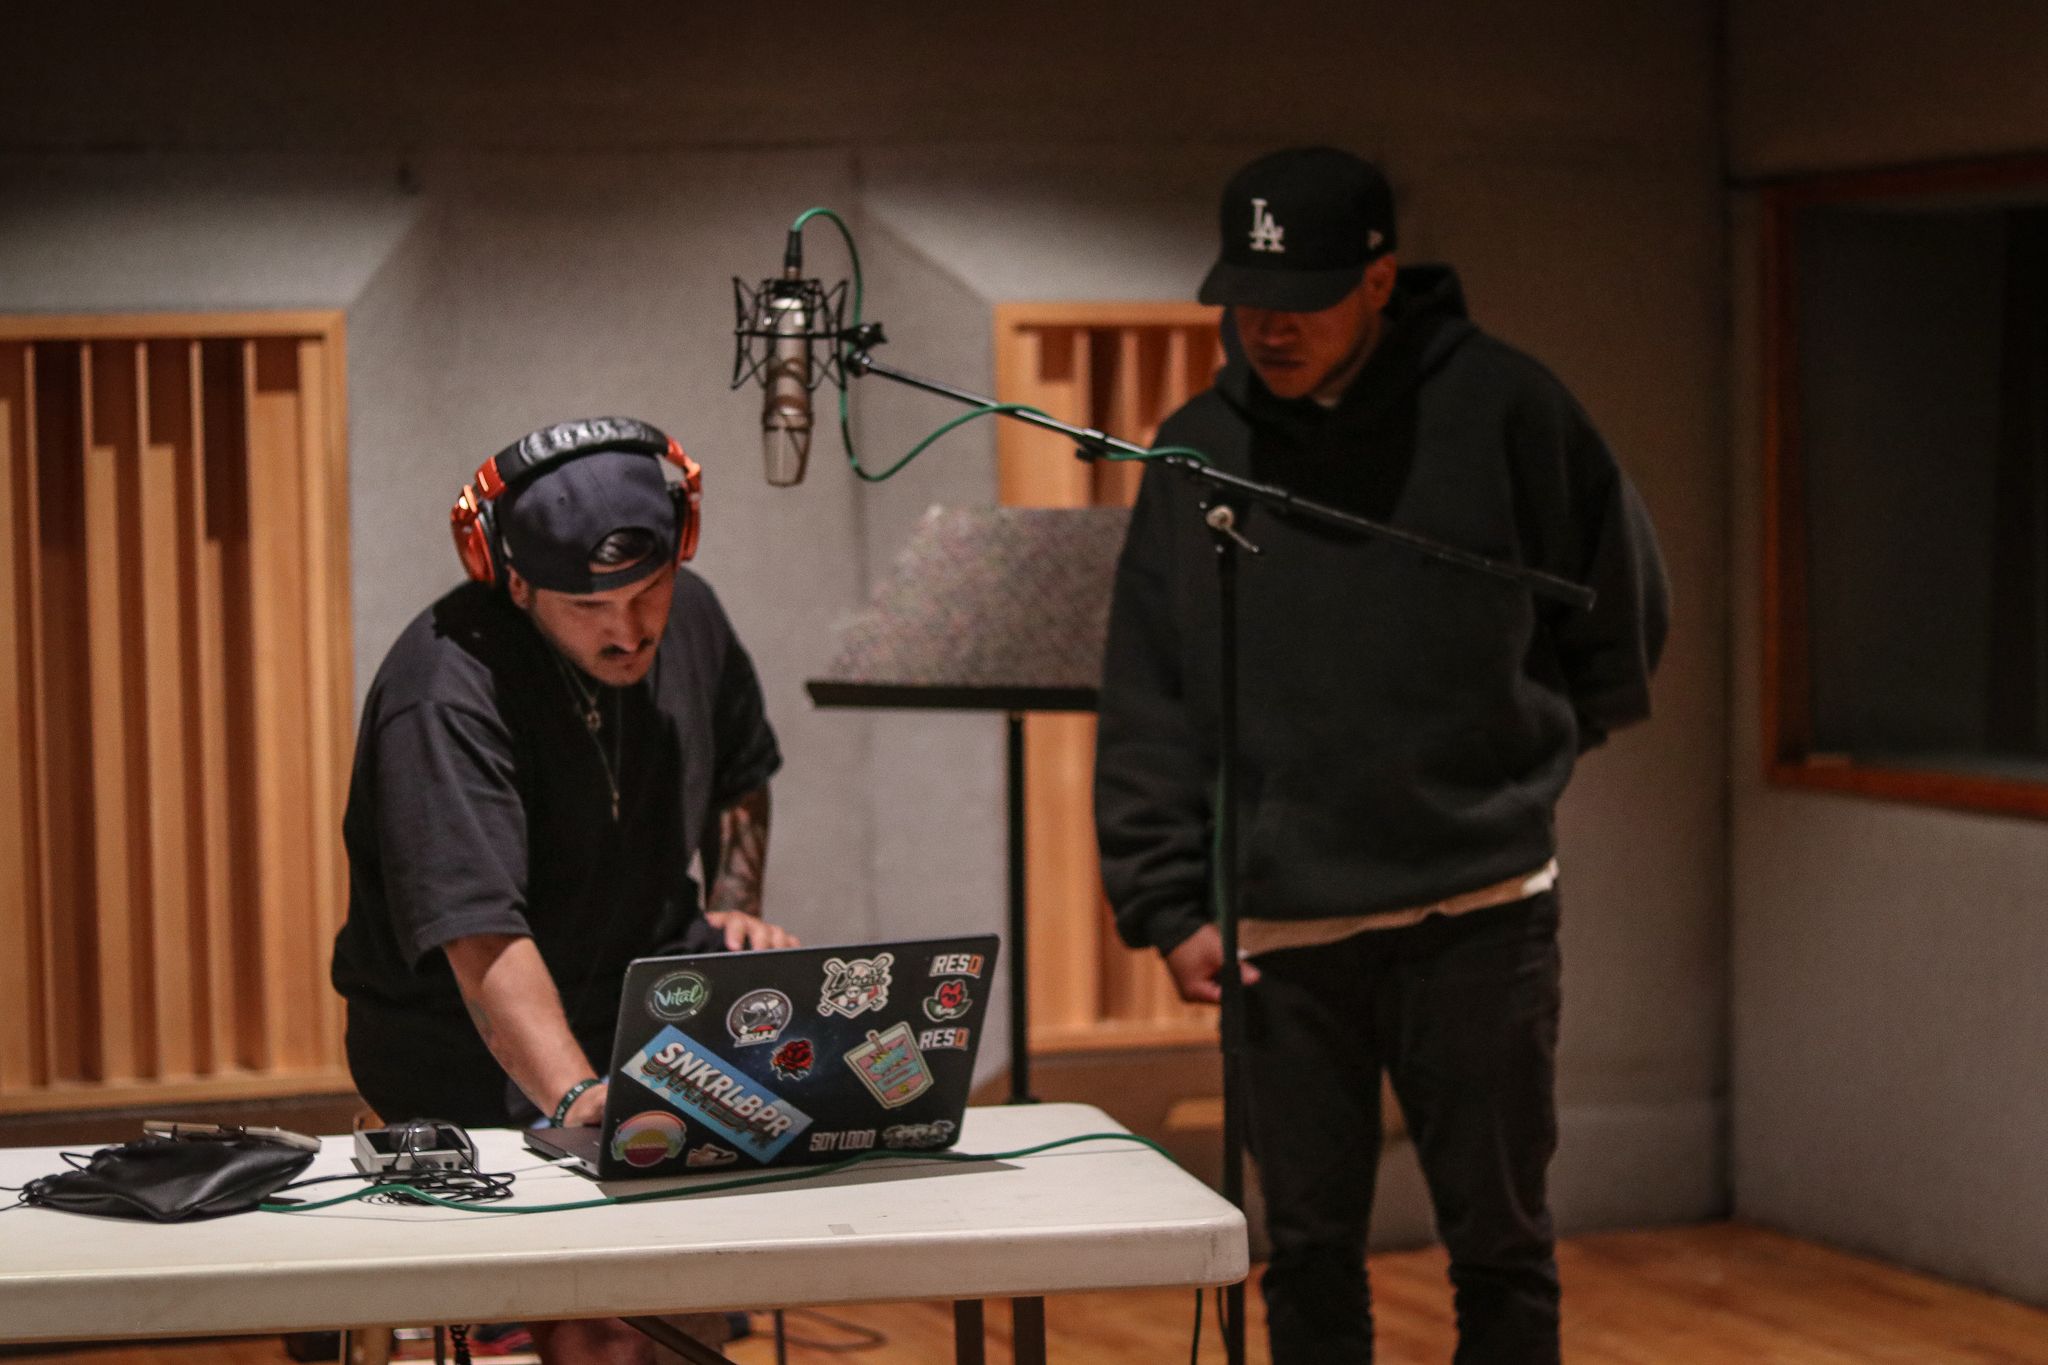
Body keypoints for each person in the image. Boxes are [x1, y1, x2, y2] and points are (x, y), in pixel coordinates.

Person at [1094, 149, 1668, 1364]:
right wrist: (1164, 903)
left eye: (1300, 300)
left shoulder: (1505, 407)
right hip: (1283, 931)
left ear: (1376, 281)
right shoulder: (1196, 449)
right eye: (1247, 299)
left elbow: (1612, 606)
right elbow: (1150, 691)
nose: (1268, 327)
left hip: (1480, 912)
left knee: (1500, 1246)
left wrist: (1514, 767)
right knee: (1305, 1251)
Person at [331, 416, 797, 1365]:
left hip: (645, 998)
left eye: (649, 589)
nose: (629, 630)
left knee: (726, 1240)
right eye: (589, 606)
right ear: (510, 579)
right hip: (460, 1042)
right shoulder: (443, 689)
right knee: (610, 1315)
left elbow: (743, 770)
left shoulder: (696, 615)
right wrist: (580, 1095)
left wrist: (737, 897)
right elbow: (479, 936)